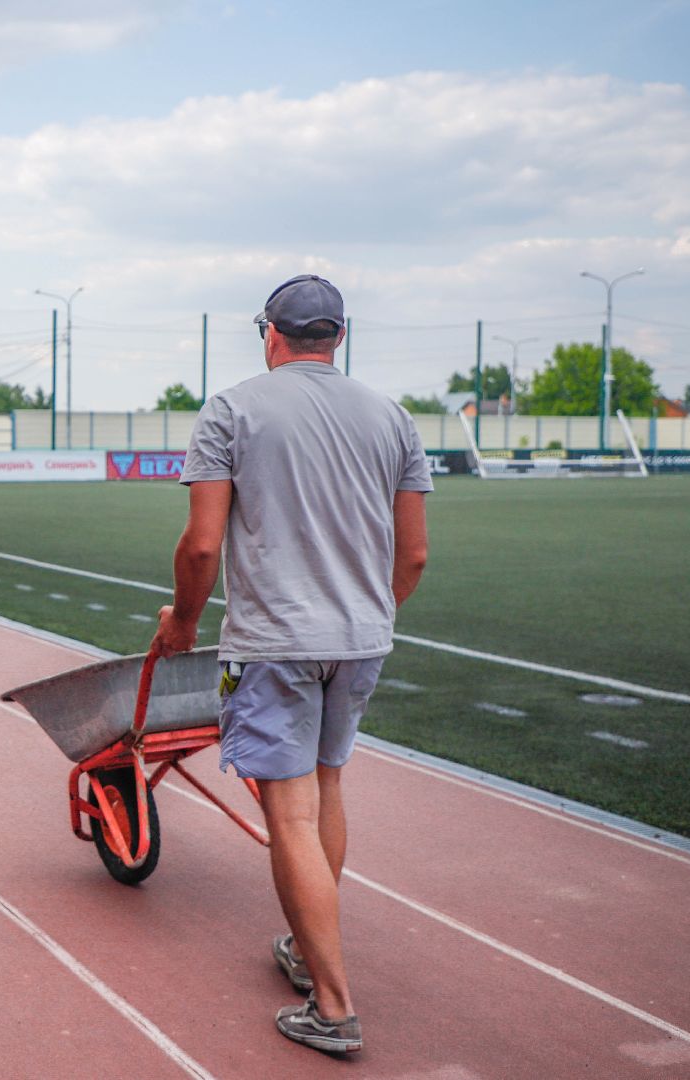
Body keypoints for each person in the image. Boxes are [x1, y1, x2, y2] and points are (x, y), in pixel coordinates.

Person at [151, 274, 430, 1055]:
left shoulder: (233, 408)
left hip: (275, 643)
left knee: (292, 815)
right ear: (339, 335)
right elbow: (413, 554)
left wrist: (181, 622)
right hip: (362, 638)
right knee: (328, 787)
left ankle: (333, 1006)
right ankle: (308, 953)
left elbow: (202, 544)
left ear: (269, 332)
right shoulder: (392, 416)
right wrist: (367, 617)